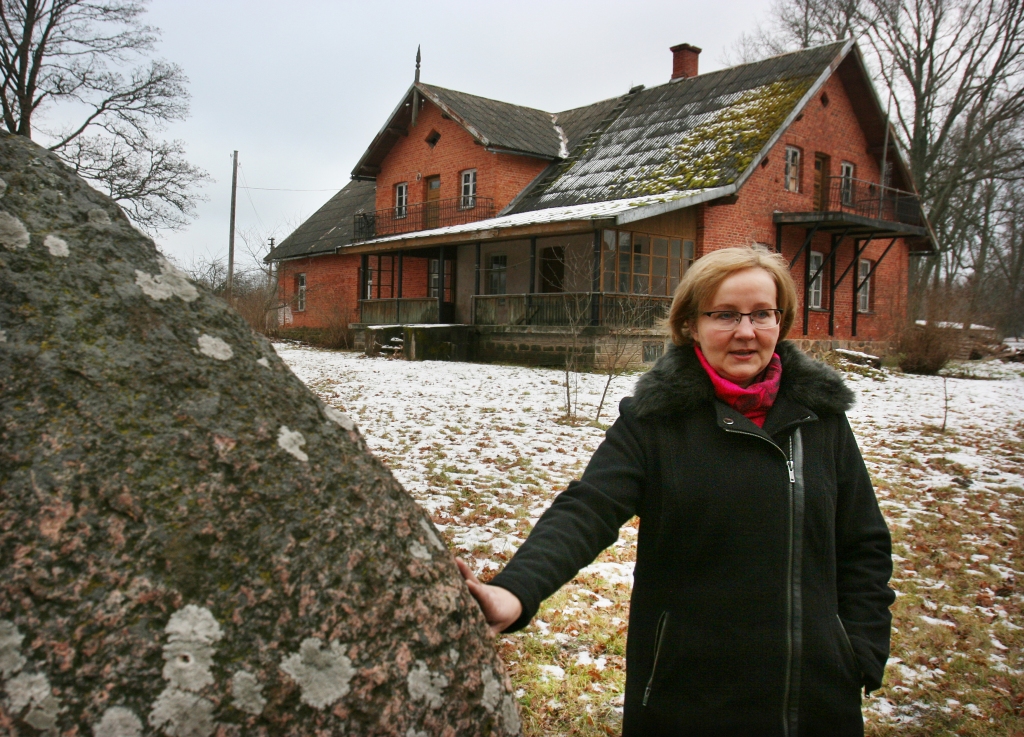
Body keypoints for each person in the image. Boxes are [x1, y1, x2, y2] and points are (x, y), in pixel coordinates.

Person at [458, 246, 895, 736]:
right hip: (687, 702)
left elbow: (864, 544)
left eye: (762, 314)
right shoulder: (654, 422)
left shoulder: (821, 419)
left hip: (813, 704)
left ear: (781, 320)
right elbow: (588, 510)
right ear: (690, 324)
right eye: (725, 314)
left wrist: (859, 651)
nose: (746, 332)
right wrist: (514, 592)